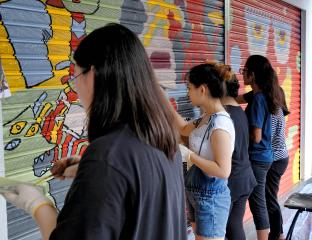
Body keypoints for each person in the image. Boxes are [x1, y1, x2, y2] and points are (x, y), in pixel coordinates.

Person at [0, 23, 187, 240]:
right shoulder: (163, 140)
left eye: (75, 77)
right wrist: (86, 169)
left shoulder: (109, 156)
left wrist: (37, 205)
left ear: (93, 74)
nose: (76, 88)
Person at [172, 63, 235, 240]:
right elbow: (184, 128)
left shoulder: (220, 124)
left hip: (211, 200)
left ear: (202, 90)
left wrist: (189, 155)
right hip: (196, 193)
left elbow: (223, 170)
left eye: (189, 88)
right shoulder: (205, 118)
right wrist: (161, 100)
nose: (187, 93)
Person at [208, 62, 257, 240]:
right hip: (244, 178)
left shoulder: (222, 116)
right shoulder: (238, 111)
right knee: (234, 225)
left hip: (232, 182)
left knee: (223, 229)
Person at [237, 55, 283, 240]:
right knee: (260, 201)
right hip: (265, 157)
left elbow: (256, 137)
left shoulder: (258, 99)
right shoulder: (263, 94)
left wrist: (238, 133)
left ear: (253, 75)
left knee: (258, 203)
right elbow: (235, 98)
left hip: (257, 158)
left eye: (245, 71)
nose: (243, 75)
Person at [265, 87, 289, 240]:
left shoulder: (274, 113)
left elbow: (268, 138)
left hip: (276, 160)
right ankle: (278, 233)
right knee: (270, 197)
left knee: (270, 199)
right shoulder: (279, 110)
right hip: (280, 159)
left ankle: (278, 235)